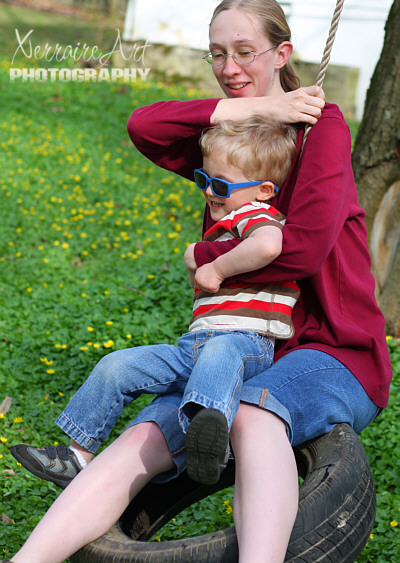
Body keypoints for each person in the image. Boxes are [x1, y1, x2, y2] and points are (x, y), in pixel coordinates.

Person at [5, 0, 392, 562]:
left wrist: (208, 256)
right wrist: (247, 108)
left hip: (331, 351)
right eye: (217, 54)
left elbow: (302, 250)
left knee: (256, 415)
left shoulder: (318, 127)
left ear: (283, 54)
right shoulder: (225, 142)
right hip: (241, 349)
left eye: (244, 52)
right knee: (141, 438)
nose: (228, 67)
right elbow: (145, 126)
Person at [12, 116, 299, 489]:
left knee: (217, 357)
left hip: (245, 342)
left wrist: (215, 267)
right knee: (118, 366)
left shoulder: (256, 214)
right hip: (194, 346)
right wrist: (199, 254)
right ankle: (77, 454)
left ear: (263, 190)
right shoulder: (229, 220)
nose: (209, 191)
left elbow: (268, 245)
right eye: (203, 179)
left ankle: (207, 441)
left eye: (221, 184)